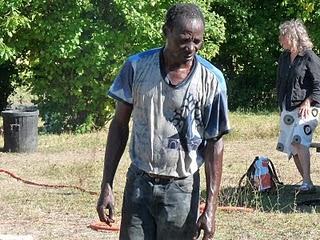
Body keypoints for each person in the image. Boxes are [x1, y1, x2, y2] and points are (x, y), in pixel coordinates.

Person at [96, 3, 230, 240]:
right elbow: (118, 125)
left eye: (197, 41)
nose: (191, 48)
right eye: (184, 40)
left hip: (181, 189)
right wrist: (107, 184)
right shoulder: (136, 67)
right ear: (166, 31)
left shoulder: (212, 80)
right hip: (139, 183)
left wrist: (211, 207)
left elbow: (214, 144)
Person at [276, 19, 320, 192]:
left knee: (299, 140)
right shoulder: (284, 57)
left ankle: (307, 182)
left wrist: (308, 101)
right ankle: (306, 182)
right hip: (288, 107)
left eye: (283, 35)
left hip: (309, 107)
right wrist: (280, 104)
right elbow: (280, 82)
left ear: (293, 36)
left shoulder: (310, 57)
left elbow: (319, 83)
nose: (281, 39)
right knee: (291, 146)